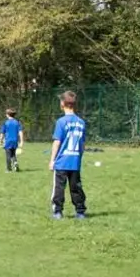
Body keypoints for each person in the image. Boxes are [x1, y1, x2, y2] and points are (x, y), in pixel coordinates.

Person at [48, 90, 88, 219]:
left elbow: (57, 142)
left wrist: (52, 160)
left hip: (62, 161)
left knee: (59, 187)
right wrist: (79, 157)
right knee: (76, 187)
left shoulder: (61, 122)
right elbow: (82, 145)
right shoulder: (81, 122)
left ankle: (58, 212)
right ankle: (80, 211)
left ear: (62, 103)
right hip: (75, 161)